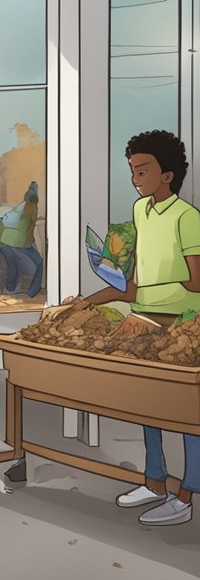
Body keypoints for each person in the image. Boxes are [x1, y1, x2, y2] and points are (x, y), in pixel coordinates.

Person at [80, 130, 199, 527]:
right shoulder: (139, 211)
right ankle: (155, 481)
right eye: (132, 170)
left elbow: (197, 282)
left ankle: (186, 497)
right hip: (144, 317)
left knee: (186, 413)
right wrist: (88, 299)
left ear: (167, 174)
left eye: (142, 170)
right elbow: (132, 281)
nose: (135, 178)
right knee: (147, 405)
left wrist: (143, 290)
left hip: (183, 324)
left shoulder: (188, 217)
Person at [0, 182, 43, 298]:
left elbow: (6, 219)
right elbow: (31, 225)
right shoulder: (33, 208)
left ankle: (10, 289)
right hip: (21, 244)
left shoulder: (19, 207)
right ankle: (32, 292)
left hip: (5, 241)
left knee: (13, 265)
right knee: (39, 263)